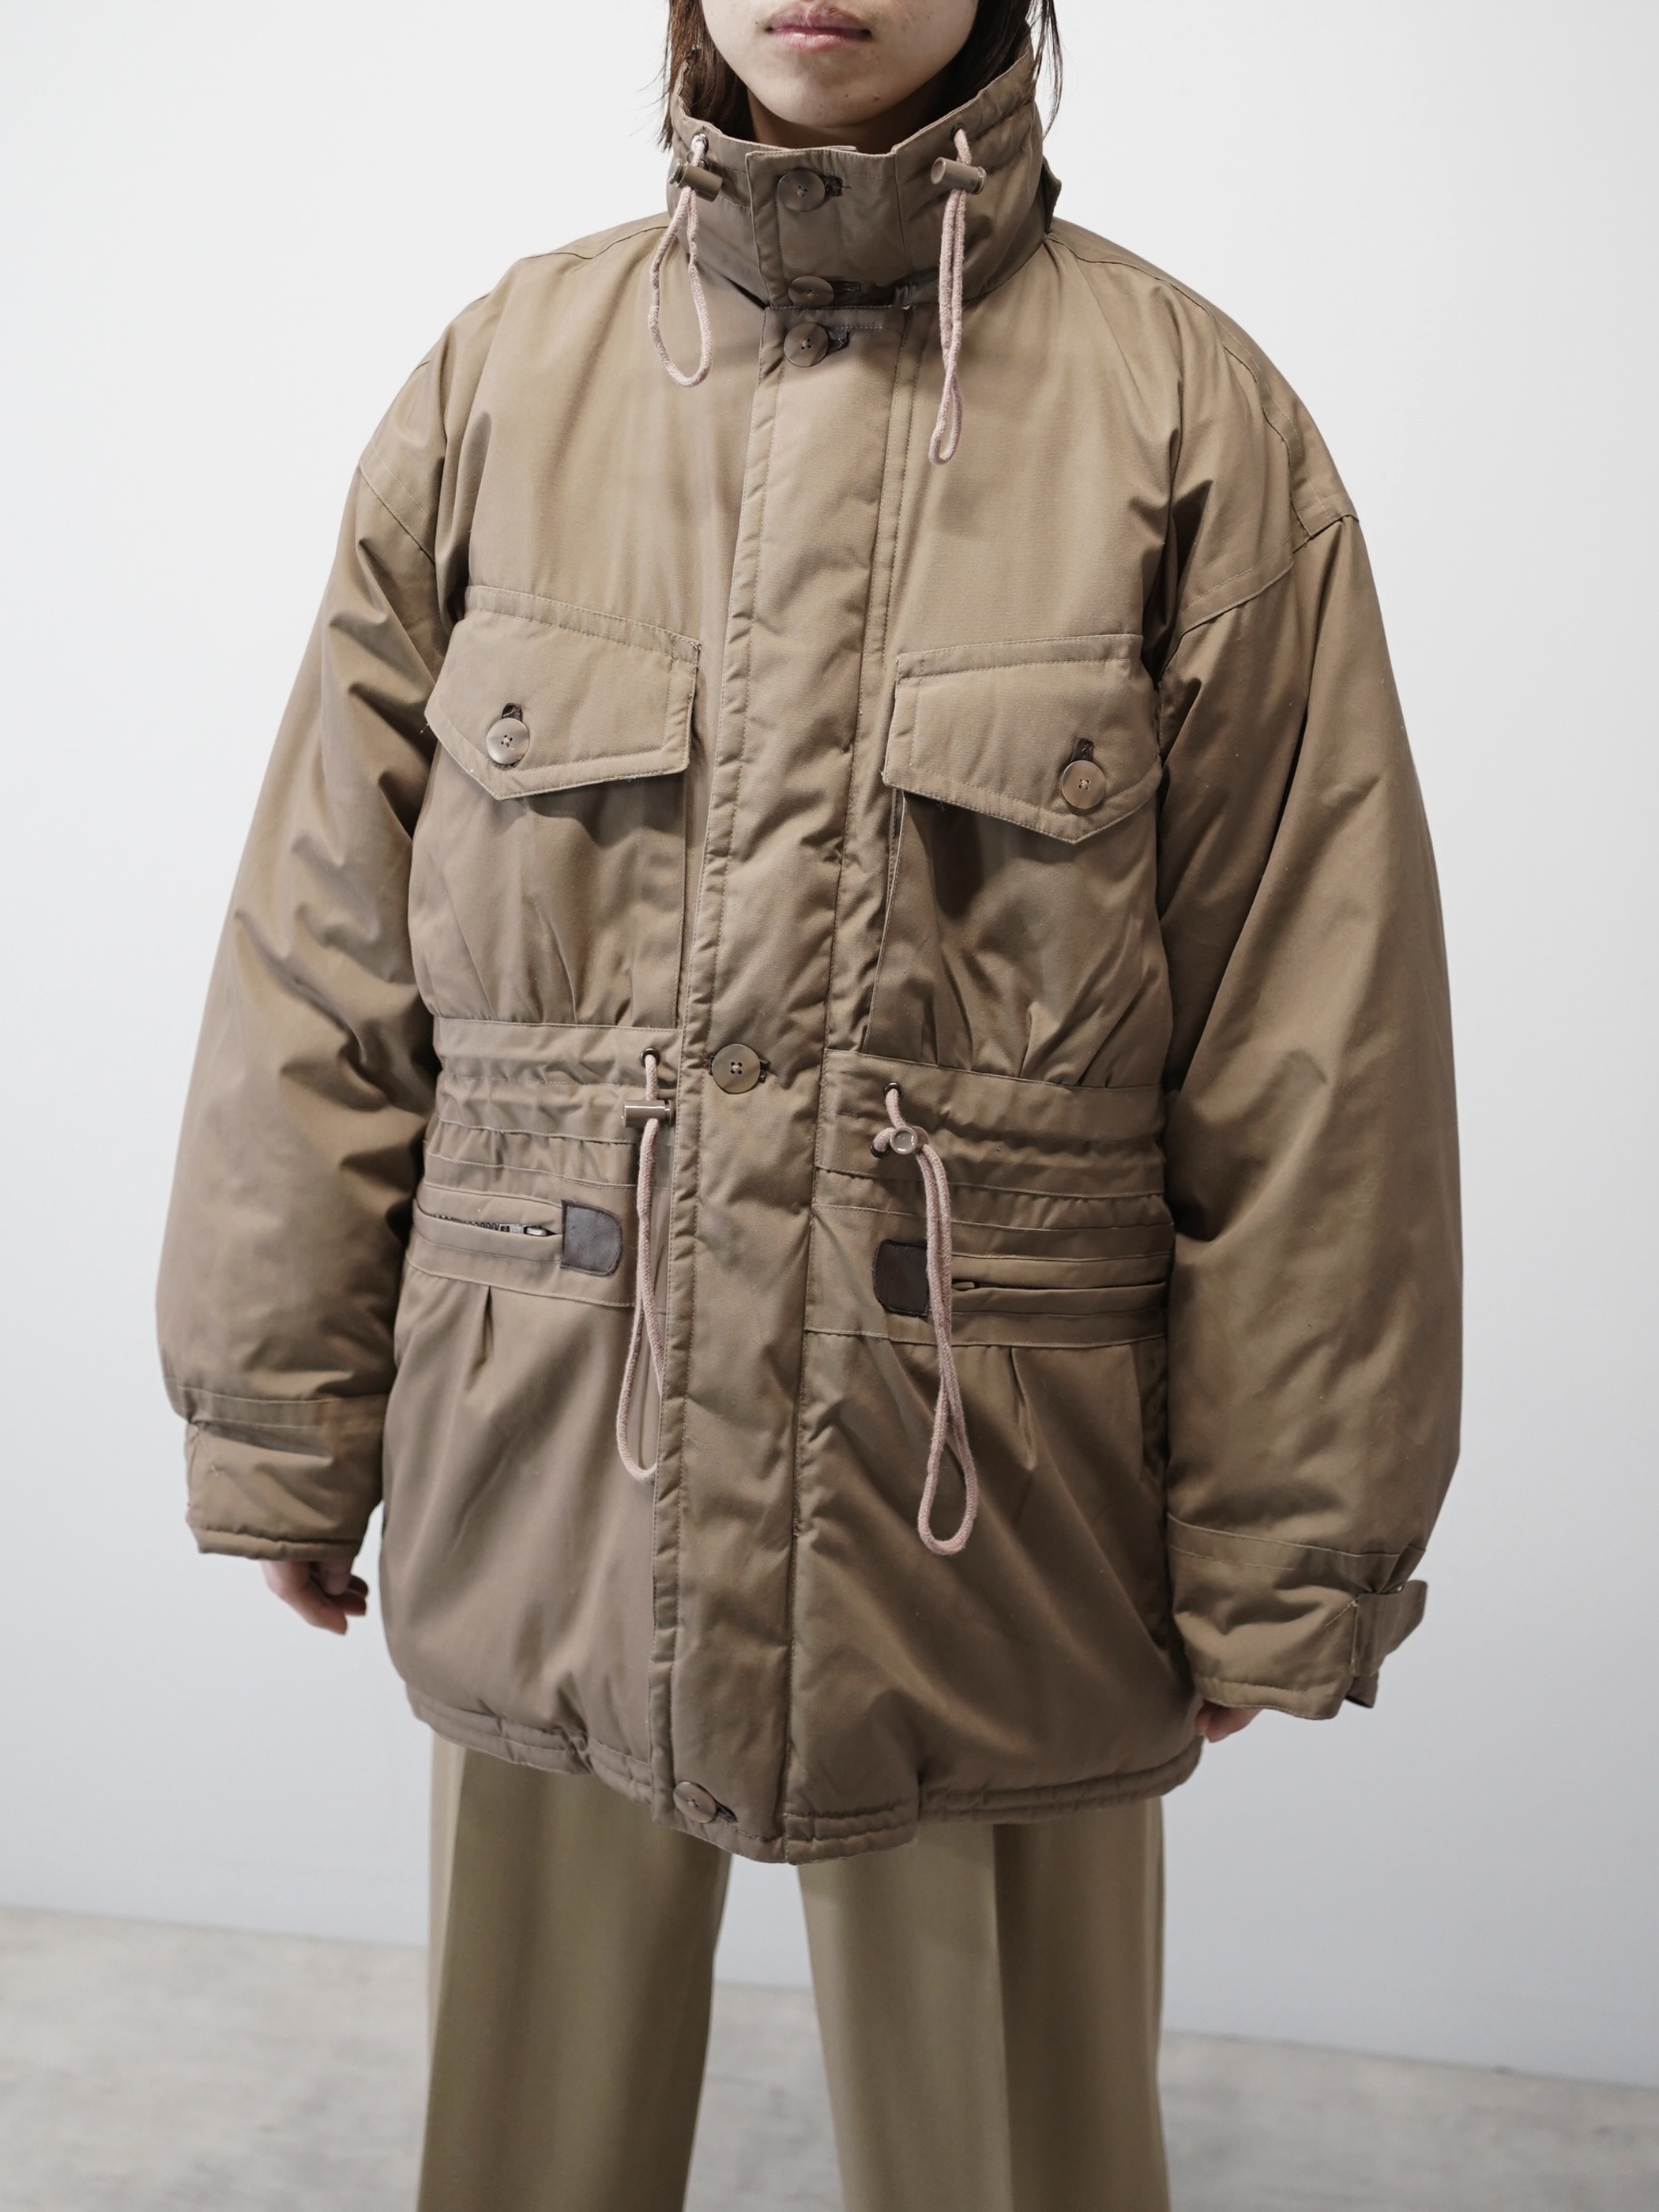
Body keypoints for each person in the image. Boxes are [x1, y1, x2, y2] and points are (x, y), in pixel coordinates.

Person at [156, 2, 1462, 2206]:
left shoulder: (1186, 421)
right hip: (557, 1449)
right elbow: (323, 942)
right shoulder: (504, 387)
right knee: (525, 2159)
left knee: (1017, 2162)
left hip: (1000, 1504)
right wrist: (278, 1405)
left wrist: (1287, 1546)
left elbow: (1314, 1032)